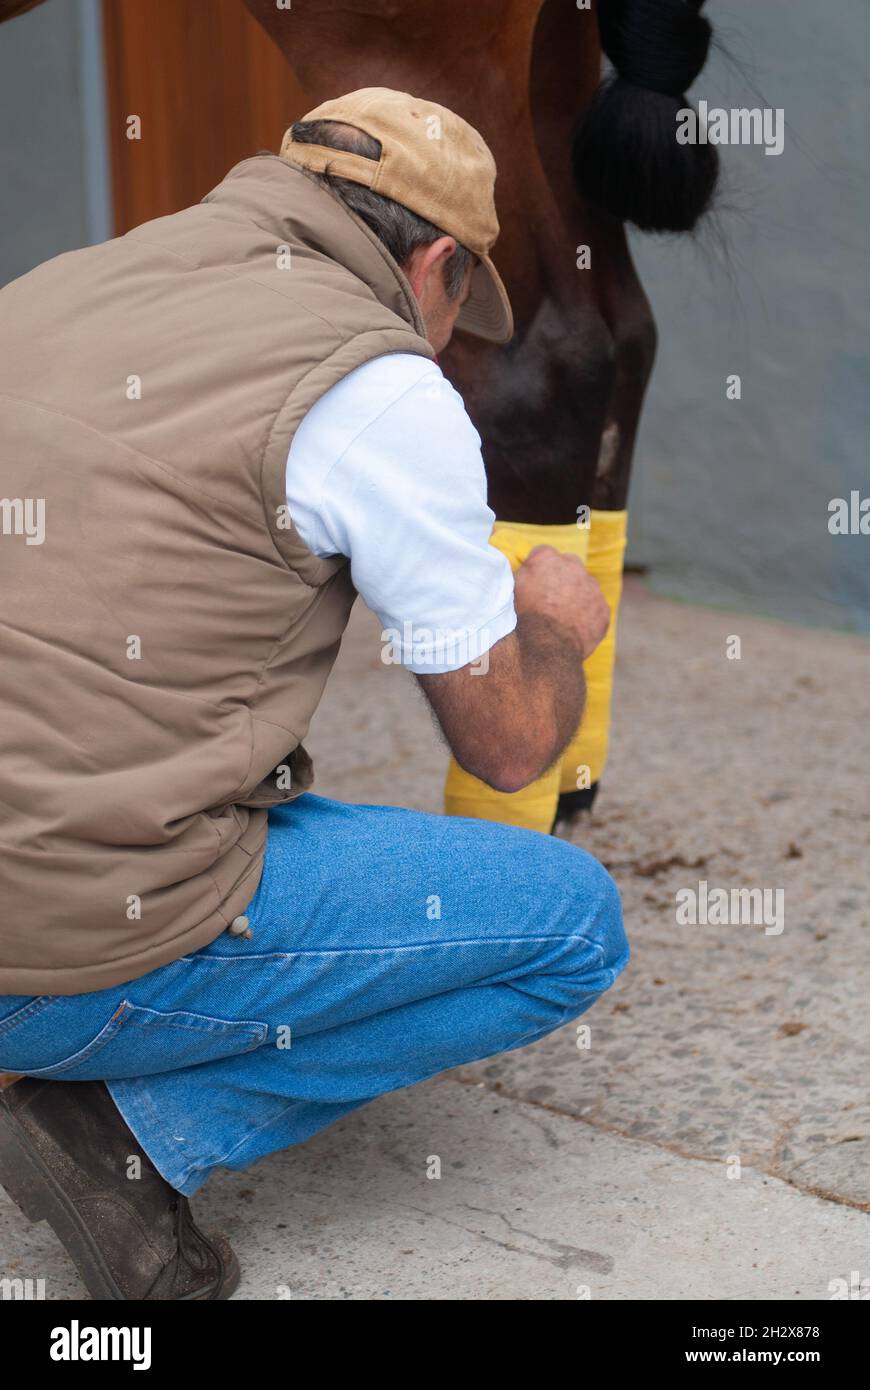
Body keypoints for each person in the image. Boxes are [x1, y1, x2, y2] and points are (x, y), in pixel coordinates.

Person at [0, 88, 628, 1300]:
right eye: (460, 305)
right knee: (566, 925)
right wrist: (553, 626)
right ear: (437, 263)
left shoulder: (57, 285)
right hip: (55, 950)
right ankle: (125, 1133)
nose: (449, 336)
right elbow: (506, 742)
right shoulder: (381, 388)